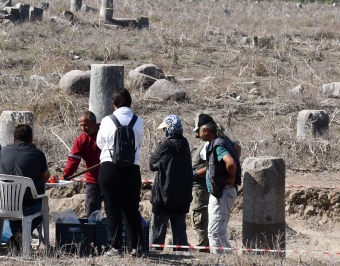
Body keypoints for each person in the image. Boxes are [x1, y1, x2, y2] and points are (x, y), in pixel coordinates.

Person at [96, 88, 145, 256]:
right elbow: (139, 144)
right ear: (130, 103)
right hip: (132, 168)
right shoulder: (138, 121)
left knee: (112, 209)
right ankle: (136, 247)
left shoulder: (107, 120)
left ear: (114, 104)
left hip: (110, 168)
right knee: (131, 209)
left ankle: (114, 247)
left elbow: (100, 143)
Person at [190, 113, 241, 251]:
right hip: (223, 192)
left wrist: (230, 178)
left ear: (205, 130)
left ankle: (222, 263)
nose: (198, 135)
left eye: (199, 131)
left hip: (222, 192)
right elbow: (237, 148)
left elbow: (230, 163)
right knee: (219, 233)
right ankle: (227, 262)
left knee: (214, 233)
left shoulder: (217, 144)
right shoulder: (222, 140)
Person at [0, 123, 49, 246]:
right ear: (31, 140)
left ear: (13, 139)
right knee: (42, 204)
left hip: (3, 204)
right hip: (26, 205)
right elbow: (46, 175)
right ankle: (21, 234)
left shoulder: (2, 152)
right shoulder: (36, 154)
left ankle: (16, 235)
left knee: (16, 202)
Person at [149, 115, 192, 251]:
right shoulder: (185, 144)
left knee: (157, 230)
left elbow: (152, 164)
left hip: (164, 196)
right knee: (179, 230)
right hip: (181, 196)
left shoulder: (165, 146)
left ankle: (156, 254)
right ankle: (182, 256)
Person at [60, 110, 102, 218]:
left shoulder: (105, 131)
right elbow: (74, 159)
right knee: (91, 213)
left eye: (86, 125)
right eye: (81, 126)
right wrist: (66, 174)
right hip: (93, 181)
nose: (83, 128)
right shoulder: (81, 140)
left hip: (109, 179)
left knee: (115, 212)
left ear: (94, 122)